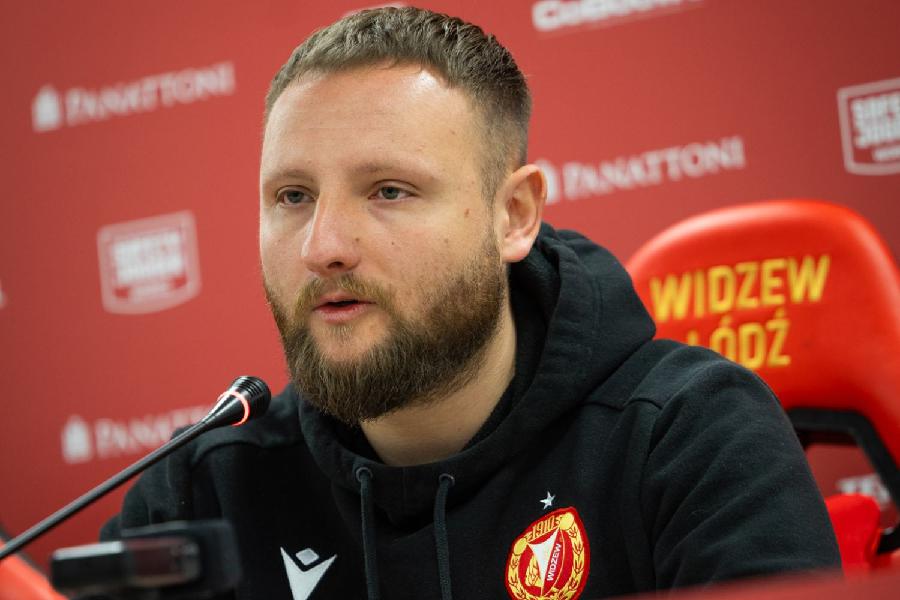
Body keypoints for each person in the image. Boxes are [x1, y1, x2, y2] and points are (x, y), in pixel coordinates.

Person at [102, 6, 840, 599]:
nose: (322, 246)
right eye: (292, 196)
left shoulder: (692, 436)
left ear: (514, 215)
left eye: (389, 190)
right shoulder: (202, 489)